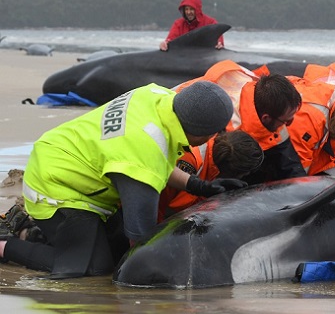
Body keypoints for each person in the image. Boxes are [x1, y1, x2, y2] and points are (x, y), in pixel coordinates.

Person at [0, 81, 247, 277]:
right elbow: (139, 237)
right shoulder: (143, 153)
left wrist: (201, 186)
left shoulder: (157, 97)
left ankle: (37, 234)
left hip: (70, 158)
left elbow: (155, 160)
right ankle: (5, 245)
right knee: (91, 268)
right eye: (215, 132)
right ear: (202, 133)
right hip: (55, 187)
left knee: (110, 246)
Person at [176, 60, 306, 184]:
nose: (288, 124)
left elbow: (289, 163)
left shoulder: (267, 101)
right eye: (286, 121)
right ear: (266, 118)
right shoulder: (220, 128)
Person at [158, 130, 264, 222]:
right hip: (155, 214)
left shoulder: (210, 140)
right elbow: (178, 210)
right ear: (234, 173)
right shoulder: (191, 162)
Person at [159, 0, 224, 51]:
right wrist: (165, 44)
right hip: (185, 59)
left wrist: (219, 44)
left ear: (197, 9)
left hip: (207, 60)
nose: (188, 12)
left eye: (191, 9)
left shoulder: (211, 23)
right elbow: (170, 40)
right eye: (186, 9)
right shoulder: (178, 24)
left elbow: (219, 41)